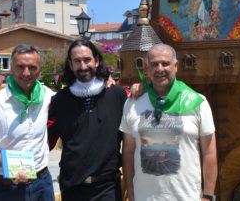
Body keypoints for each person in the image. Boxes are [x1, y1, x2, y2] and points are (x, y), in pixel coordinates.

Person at [120, 43, 218, 201]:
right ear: (147, 69)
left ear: (176, 66)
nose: (160, 69)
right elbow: (128, 153)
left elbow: (209, 153)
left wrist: (207, 196)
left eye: (165, 63)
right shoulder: (132, 103)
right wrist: (131, 195)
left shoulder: (197, 102)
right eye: (154, 64)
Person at [48, 39, 127, 201]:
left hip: (108, 188)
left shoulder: (117, 94)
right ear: (70, 64)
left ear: (97, 61)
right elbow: (43, 140)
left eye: (87, 60)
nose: (83, 66)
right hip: (72, 189)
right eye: (77, 61)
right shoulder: (59, 100)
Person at [0, 44, 55, 201]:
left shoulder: (49, 97)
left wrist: (103, 79)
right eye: (20, 67)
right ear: (11, 68)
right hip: (5, 188)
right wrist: (12, 167)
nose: (26, 73)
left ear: (40, 70)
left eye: (32, 67)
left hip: (42, 185)